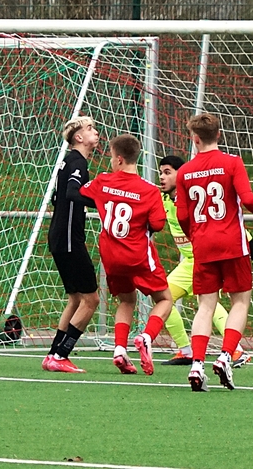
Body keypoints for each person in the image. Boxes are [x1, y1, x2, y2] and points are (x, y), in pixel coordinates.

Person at [175, 113, 253, 391]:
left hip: (203, 244)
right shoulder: (232, 162)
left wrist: (194, 235)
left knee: (206, 305)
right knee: (240, 301)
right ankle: (226, 356)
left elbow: (182, 215)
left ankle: (196, 364)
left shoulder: (185, 171)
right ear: (218, 134)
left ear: (194, 139)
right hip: (232, 243)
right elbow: (247, 197)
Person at [158, 155, 253, 367]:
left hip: (204, 255)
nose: (161, 177)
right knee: (164, 298)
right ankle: (187, 350)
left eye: (167, 172)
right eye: (160, 173)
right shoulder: (164, 199)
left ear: (181, 174)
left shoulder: (191, 194)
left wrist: (252, 246)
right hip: (191, 260)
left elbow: (222, 221)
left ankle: (233, 350)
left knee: (207, 304)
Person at [80, 134, 173, 375]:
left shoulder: (103, 181)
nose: (111, 162)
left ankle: (120, 349)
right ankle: (146, 337)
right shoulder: (149, 190)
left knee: (127, 300)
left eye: (112, 157)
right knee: (165, 299)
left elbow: (83, 193)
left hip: (111, 257)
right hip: (137, 255)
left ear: (119, 159)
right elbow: (158, 224)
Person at [43, 116, 101, 373]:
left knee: (76, 298)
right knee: (91, 299)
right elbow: (71, 193)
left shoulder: (68, 161)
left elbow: (57, 198)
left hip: (60, 236)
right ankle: (61, 354)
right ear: (78, 137)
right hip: (68, 239)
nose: (95, 132)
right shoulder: (77, 162)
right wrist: (102, 201)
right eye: (89, 128)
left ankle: (53, 354)